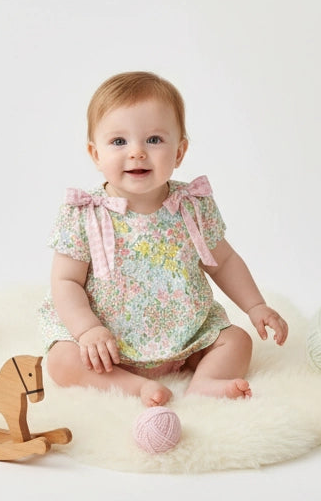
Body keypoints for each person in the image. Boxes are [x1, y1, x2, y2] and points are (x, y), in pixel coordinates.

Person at [39, 72, 287, 406]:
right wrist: (87, 330)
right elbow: (66, 280)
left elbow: (224, 261)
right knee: (61, 361)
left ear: (180, 152)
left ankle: (207, 381)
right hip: (108, 339)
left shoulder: (191, 205)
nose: (137, 152)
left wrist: (255, 305)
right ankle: (135, 387)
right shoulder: (85, 212)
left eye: (154, 140)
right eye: (119, 142)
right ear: (95, 154)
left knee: (238, 340)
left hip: (186, 333)